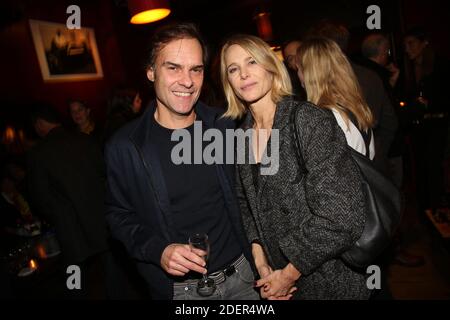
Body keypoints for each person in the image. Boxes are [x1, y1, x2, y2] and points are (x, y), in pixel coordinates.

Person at [104, 22, 258, 300]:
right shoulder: (125, 147)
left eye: (195, 69)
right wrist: (158, 250)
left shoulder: (223, 126)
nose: (187, 81)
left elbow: (252, 198)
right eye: (173, 67)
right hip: (182, 292)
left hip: (244, 277)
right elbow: (118, 216)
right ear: (151, 72)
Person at [220, 34, 370, 299]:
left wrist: (289, 273)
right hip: (278, 279)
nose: (243, 74)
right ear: (229, 82)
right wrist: (260, 261)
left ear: (271, 67)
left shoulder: (306, 119)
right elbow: (247, 205)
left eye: (251, 62)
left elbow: (343, 215)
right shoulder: (241, 136)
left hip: (329, 279)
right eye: (233, 69)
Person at [28, 103, 109, 297]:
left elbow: (40, 199)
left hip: (71, 233)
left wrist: (59, 215)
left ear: (39, 124)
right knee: (113, 278)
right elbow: (106, 176)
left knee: (76, 283)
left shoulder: (38, 154)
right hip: (103, 225)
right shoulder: (85, 140)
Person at [307, 21, 398, 176]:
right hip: (376, 167)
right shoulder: (370, 75)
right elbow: (390, 121)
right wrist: (376, 152)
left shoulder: (323, 86)